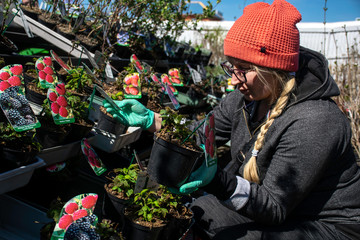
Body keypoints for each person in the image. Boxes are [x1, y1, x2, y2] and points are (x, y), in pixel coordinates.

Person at [103, 0, 360, 239]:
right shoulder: (245, 98)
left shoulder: (316, 121)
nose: (233, 79)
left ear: (273, 67)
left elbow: (274, 207)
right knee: (197, 213)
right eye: (231, 67)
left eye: (243, 69)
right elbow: (199, 133)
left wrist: (218, 181)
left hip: (325, 224)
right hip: (275, 206)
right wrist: (152, 120)